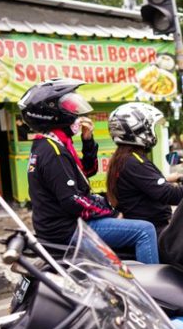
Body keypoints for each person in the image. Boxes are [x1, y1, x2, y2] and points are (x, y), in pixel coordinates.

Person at [18, 79, 159, 263]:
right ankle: (151, 280)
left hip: (59, 225)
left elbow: (86, 172)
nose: (77, 114)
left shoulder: (50, 144)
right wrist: (112, 213)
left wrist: (88, 140)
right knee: (145, 230)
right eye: (69, 107)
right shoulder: (54, 152)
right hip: (67, 229)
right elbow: (73, 200)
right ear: (53, 114)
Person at [106, 102, 183, 237]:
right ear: (138, 131)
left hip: (151, 226)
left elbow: (148, 185)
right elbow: (168, 194)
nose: (152, 132)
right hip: (153, 230)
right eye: (150, 128)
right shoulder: (134, 162)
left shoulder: (124, 158)